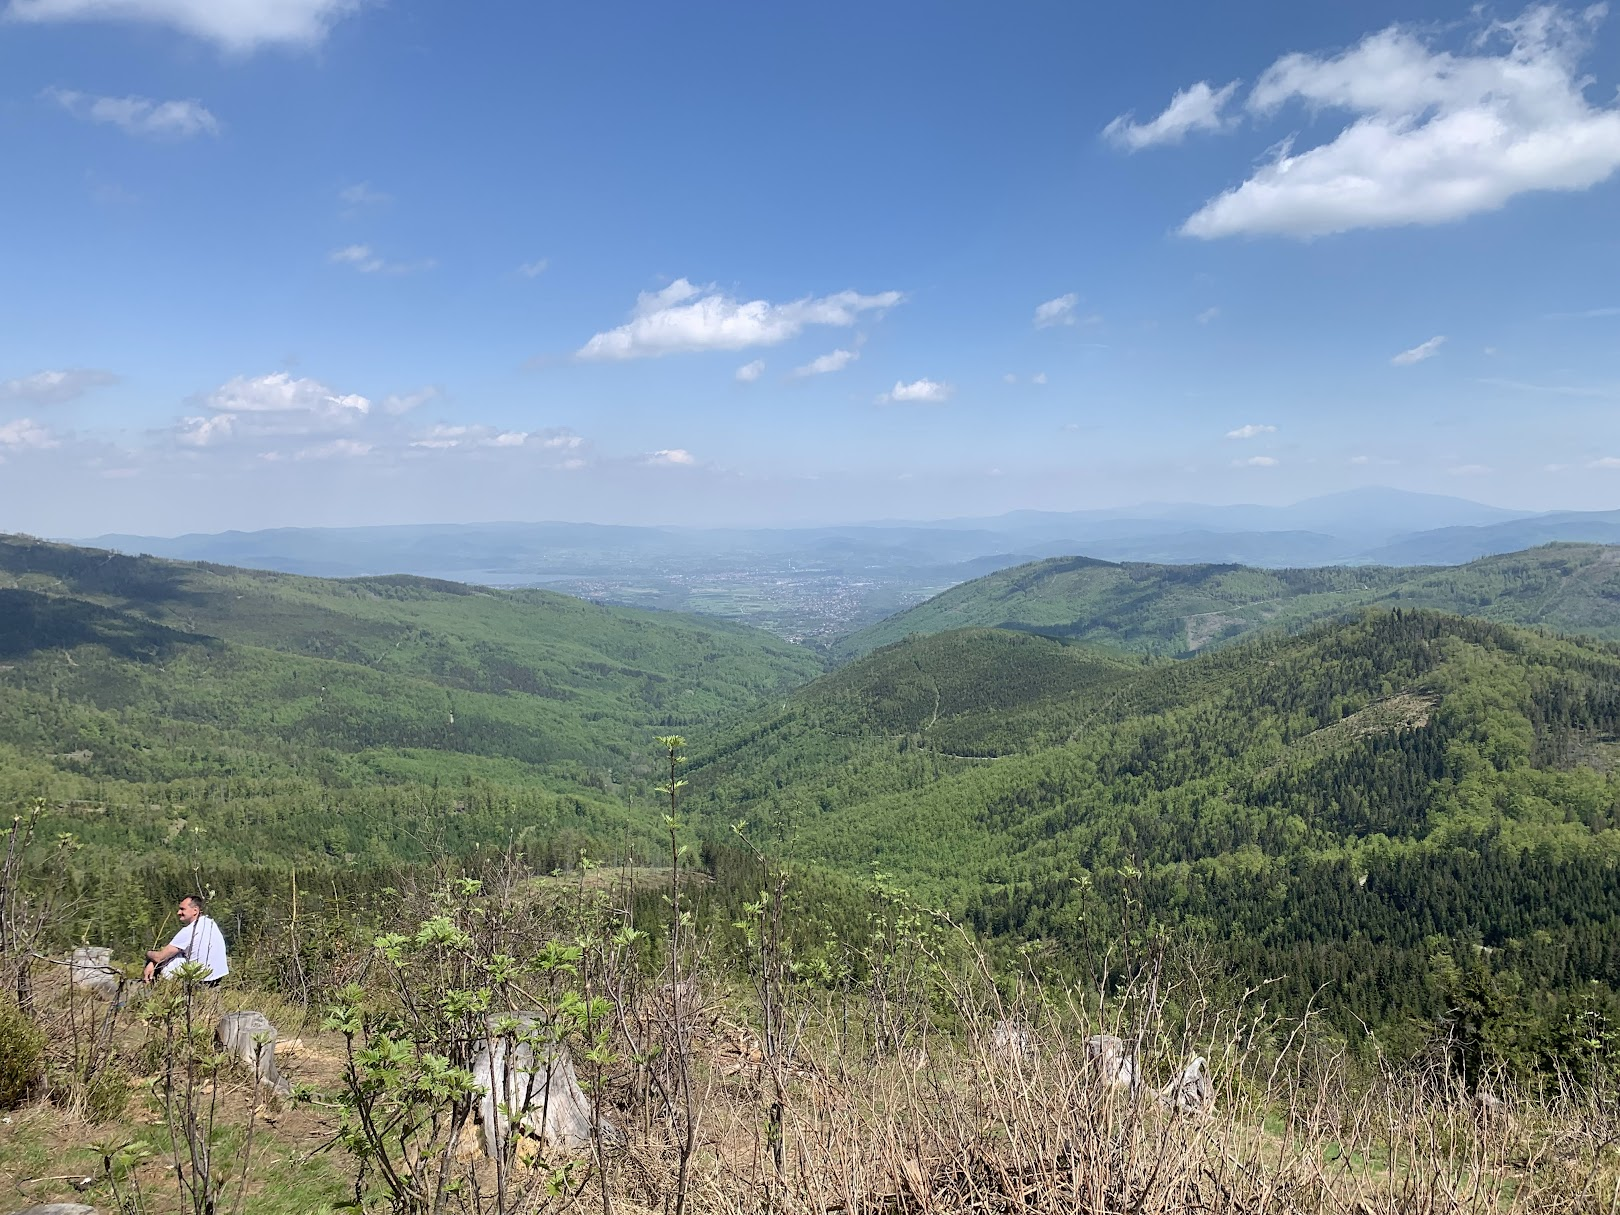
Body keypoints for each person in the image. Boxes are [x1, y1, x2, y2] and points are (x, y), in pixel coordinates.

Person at [144, 894, 230, 985]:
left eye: (182, 909)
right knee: (176, 953)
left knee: (164, 958)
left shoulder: (189, 931)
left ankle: (153, 987)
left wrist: (148, 954)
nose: (178, 912)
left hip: (200, 980)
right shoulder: (210, 923)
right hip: (217, 977)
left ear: (195, 911)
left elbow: (159, 957)